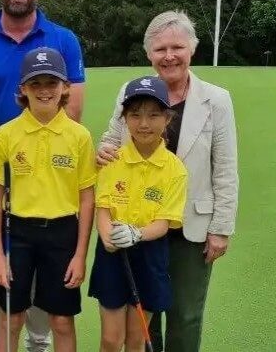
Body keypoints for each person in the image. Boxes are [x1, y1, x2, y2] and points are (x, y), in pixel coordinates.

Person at [0, 0, 87, 352]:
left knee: (47, 268)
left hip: (48, 174)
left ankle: (38, 342)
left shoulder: (63, 40)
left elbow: (75, 111)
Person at [96, 11, 239, 352]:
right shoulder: (130, 92)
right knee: (143, 315)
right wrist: (104, 148)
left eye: (177, 47)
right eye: (160, 49)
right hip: (138, 223)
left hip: (192, 225)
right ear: (149, 54)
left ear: (193, 49)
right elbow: (113, 137)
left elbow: (226, 168)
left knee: (185, 314)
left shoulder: (216, 100)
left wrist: (221, 228)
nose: (169, 55)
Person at [0, 48, 96, 352]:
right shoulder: (6, 134)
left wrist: (79, 255)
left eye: (51, 83)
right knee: (12, 317)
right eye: (36, 84)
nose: (44, 91)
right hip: (16, 233)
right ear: (23, 88)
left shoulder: (79, 136)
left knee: (61, 321)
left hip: (62, 234)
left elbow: (87, 199)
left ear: (65, 87)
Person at [89, 76, 188, 352]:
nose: (144, 124)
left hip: (149, 253)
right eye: (135, 115)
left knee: (136, 340)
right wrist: (108, 236)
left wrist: (136, 233)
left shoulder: (175, 169)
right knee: (111, 339)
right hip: (112, 254)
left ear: (167, 119)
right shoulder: (113, 160)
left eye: (154, 115)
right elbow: (103, 210)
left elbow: (164, 223)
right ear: (124, 119)